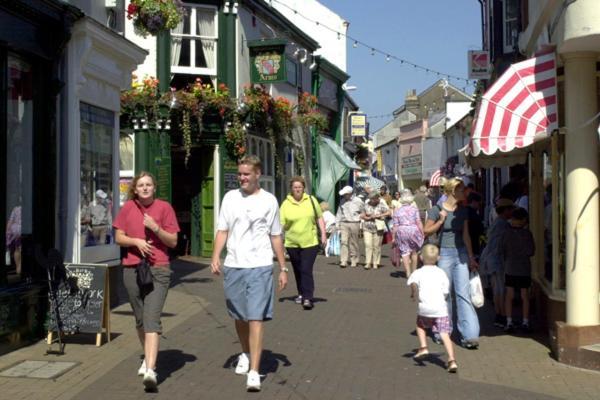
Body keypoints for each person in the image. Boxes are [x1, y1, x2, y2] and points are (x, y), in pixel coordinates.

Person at [210, 155, 288, 392]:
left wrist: (283, 267)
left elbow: (276, 236)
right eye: (240, 174)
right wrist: (215, 257)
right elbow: (223, 230)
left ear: (257, 174)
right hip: (234, 265)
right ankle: (245, 352)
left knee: (255, 317)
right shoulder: (230, 198)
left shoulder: (269, 201)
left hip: (260, 265)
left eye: (246, 174)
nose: (241, 178)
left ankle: (254, 370)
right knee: (240, 315)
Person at [113, 171, 180, 391]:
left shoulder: (164, 208)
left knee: (152, 318)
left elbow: (172, 241)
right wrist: (136, 241)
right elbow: (118, 237)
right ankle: (147, 357)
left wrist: (155, 228)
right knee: (140, 318)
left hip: (158, 269)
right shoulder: (128, 208)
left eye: (148, 184)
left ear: (154, 187)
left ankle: (151, 370)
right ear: (135, 188)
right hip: (132, 268)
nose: (144, 188)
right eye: (140, 185)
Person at [424, 177, 480, 349]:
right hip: (445, 254)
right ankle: (443, 331)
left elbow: (465, 235)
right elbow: (426, 230)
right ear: (452, 191)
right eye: (462, 189)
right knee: (445, 293)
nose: (465, 192)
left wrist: (471, 257)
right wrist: (441, 221)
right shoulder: (437, 209)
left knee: (463, 294)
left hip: (460, 253)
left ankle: (469, 335)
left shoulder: (463, 211)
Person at [408, 244, 457, 373]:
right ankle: (452, 360)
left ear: (421, 257)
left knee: (420, 325)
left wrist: (413, 294)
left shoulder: (418, 272)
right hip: (440, 308)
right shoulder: (441, 273)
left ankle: (423, 346)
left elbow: (412, 283)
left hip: (425, 307)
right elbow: (446, 291)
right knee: (444, 334)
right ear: (438, 258)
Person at [280, 176, 326, 310]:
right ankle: (301, 293)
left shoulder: (311, 200)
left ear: (303, 188)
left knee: (306, 269)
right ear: (291, 189)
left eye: (300, 187)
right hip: (292, 243)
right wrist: (279, 241)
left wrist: (323, 234)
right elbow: (280, 224)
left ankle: (308, 297)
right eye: (295, 187)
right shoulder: (286, 204)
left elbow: (319, 217)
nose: (297, 189)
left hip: (310, 242)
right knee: (298, 269)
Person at [479, 198, 515, 328]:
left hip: (491, 259)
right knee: (501, 290)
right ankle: (501, 316)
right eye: (511, 210)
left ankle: (499, 315)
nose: (512, 213)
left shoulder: (497, 223)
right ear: (505, 210)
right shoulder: (503, 225)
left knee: (497, 289)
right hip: (497, 260)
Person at [501, 208, 535, 333]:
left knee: (509, 295)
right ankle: (525, 322)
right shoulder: (527, 234)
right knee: (524, 295)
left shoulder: (506, 233)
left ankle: (509, 322)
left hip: (510, 267)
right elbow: (531, 251)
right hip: (524, 268)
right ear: (524, 220)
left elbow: (502, 250)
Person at [392, 189, 424, 277]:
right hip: (413, 230)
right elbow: (419, 222)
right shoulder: (414, 209)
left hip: (401, 231)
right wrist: (422, 232)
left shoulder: (397, 211)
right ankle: (414, 271)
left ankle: (408, 272)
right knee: (414, 252)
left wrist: (393, 237)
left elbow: (395, 226)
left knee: (404, 252)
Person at [335, 186, 364, 268]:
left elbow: (363, 211)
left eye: (345, 194)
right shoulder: (342, 201)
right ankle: (343, 260)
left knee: (353, 242)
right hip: (344, 223)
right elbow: (339, 213)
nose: (344, 196)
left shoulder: (358, 201)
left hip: (354, 223)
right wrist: (337, 223)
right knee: (343, 241)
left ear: (350, 194)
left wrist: (361, 220)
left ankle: (354, 259)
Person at [360, 192, 391, 269]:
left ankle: (375, 263)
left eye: (374, 199)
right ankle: (368, 262)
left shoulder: (381, 204)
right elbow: (362, 214)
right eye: (371, 199)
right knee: (368, 244)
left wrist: (379, 215)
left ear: (377, 199)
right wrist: (367, 218)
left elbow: (389, 212)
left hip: (378, 228)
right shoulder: (366, 204)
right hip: (367, 227)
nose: (372, 201)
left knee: (376, 246)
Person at [466, 192, 485, 258]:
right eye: (479, 204)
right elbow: (479, 230)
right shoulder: (473, 215)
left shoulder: (465, 211)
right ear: (473, 202)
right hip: (473, 246)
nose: (479, 206)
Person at [5, 205, 22, 276]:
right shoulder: (16, 209)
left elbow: (10, 221)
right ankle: (18, 269)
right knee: (18, 249)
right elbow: (10, 221)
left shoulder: (16, 209)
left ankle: (18, 269)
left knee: (18, 249)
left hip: (19, 232)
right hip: (18, 233)